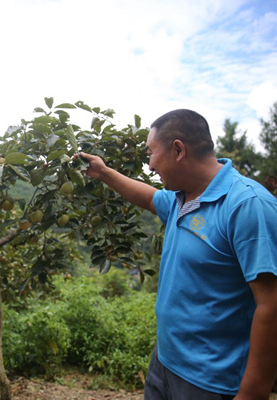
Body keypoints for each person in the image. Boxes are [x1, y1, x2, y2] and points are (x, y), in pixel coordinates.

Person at [79, 109, 277, 400]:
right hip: (165, 361)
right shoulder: (181, 198)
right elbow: (148, 196)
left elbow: (271, 305)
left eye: (151, 152)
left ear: (178, 150)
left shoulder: (248, 205)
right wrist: (104, 172)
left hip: (211, 379)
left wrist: (252, 393)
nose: (149, 164)